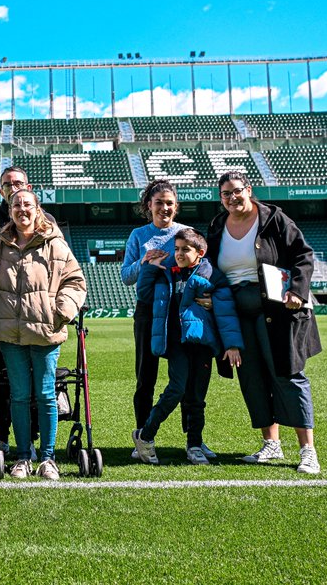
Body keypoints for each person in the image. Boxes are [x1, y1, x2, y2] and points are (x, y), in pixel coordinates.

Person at [206, 171, 322, 474]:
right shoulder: (218, 226)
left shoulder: (274, 219)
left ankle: (307, 450)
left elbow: (303, 255)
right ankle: (271, 443)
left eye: (237, 191)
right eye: (225, 194)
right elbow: (209, 266)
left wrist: (297, 290)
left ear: (249, 190)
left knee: (287, 374)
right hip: (237, 313)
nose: (232, 198)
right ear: (220, 199)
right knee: (252, 377)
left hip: (278, 311)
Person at [0, 188, 86, 481]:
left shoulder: (56, 245)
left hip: (45, 333)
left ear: (37, 209)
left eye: (27, 204)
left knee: (45, 395)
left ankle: (47, 458)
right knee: (19, 396)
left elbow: (76, 281)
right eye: (16, 205)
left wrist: (60, 311)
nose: (22, 209)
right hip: (10, 336)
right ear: (10, 210)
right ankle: (24, 457)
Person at [132, 228, 243, 465]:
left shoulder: (213, 275)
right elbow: (143, 294)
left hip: (203, 344)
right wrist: (151, 268)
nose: (179, 253)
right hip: (176, 343)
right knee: (177, 389)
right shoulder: (167, 273)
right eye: (177, 249)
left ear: (200, 252)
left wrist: (232, 344)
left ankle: (194, 444)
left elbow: (226, 313)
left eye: (185, 249)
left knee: (197, 397)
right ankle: (145, 435)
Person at [121, 179, 204, 459]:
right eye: (159, 203)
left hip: (179, 311)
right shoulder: (139, 235)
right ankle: (142, 437)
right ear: (149, 206)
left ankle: (192, 440)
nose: (164, 208)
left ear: (176, 206)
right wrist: (144, 261)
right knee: (146, 378)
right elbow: (126, 277)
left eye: (170, 203)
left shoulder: (186, 233)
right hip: (147, 312)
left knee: (186, 379)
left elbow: (201, 264)